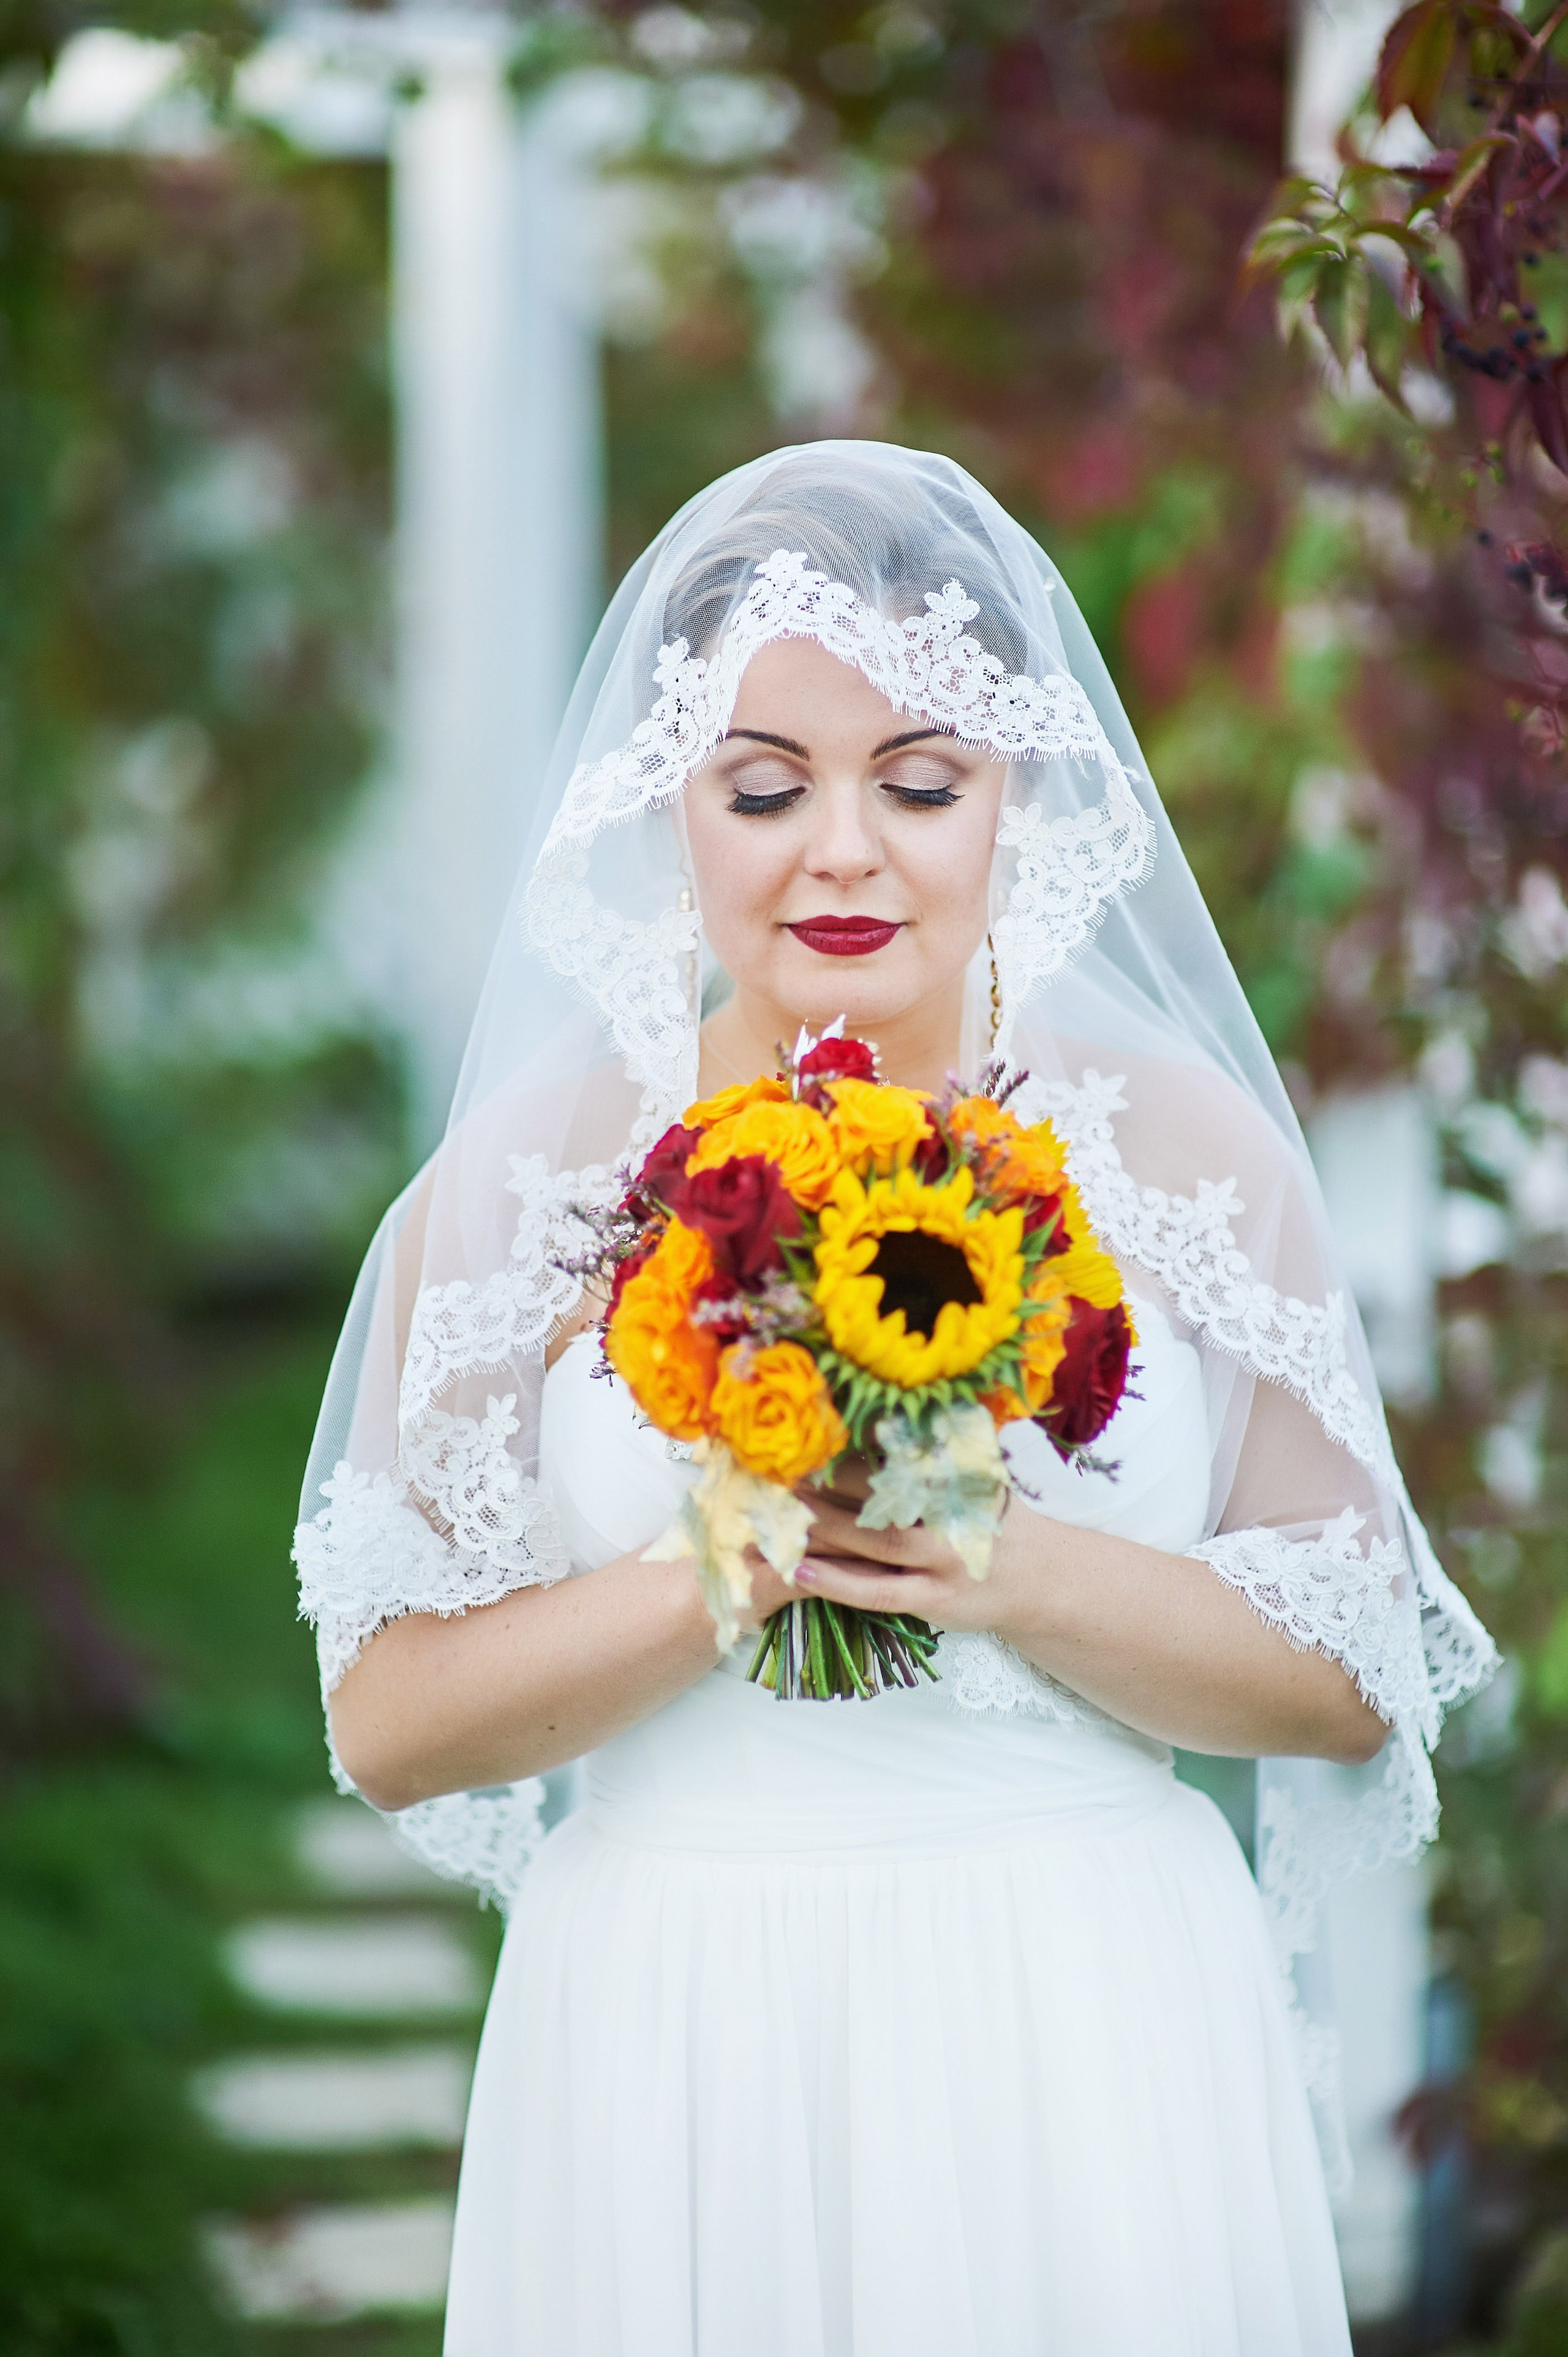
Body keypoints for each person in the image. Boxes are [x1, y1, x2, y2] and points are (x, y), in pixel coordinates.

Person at [295, 444, 1496, 2356]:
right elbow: (389, 1715)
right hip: (681, 2027)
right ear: (671, 802)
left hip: (1087, 2025)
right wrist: (719, 1575)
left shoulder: (1189, 1161)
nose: (841, 850)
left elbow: (1346, 1673)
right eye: (764, 788)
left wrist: (1000, 1566)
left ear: (1015, 789)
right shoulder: (528, 1189)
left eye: (920, 783)